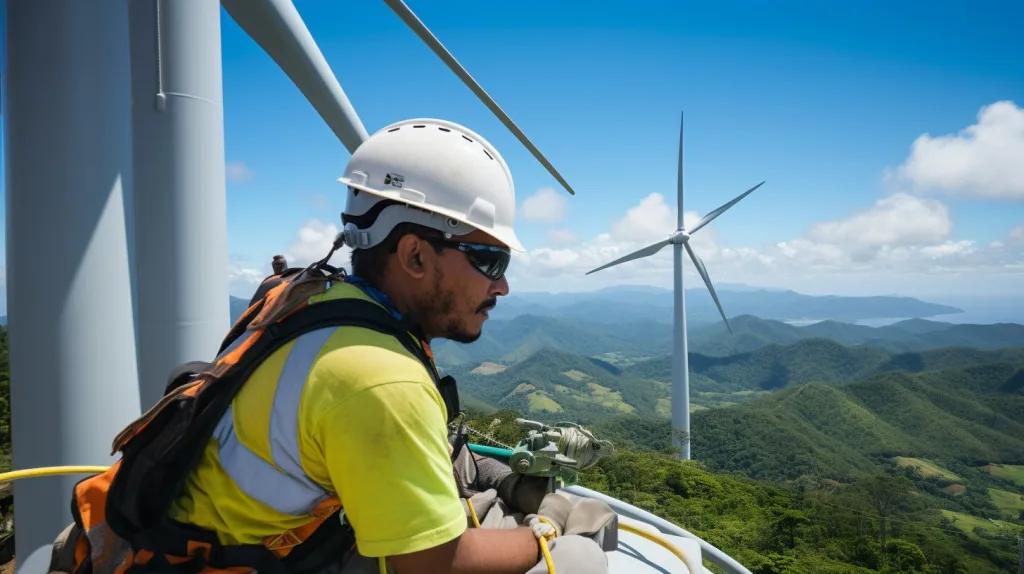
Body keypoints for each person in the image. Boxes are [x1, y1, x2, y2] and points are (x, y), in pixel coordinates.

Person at [47, 118, 615, 574]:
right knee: (581, 560)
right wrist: (546, 533)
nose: (503, 285)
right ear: (415, 255)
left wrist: (501, 481)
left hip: (197, 535)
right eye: (490, 259)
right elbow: (429, 563)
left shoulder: (308, 296)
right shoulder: (378, 378)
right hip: (237, 561)